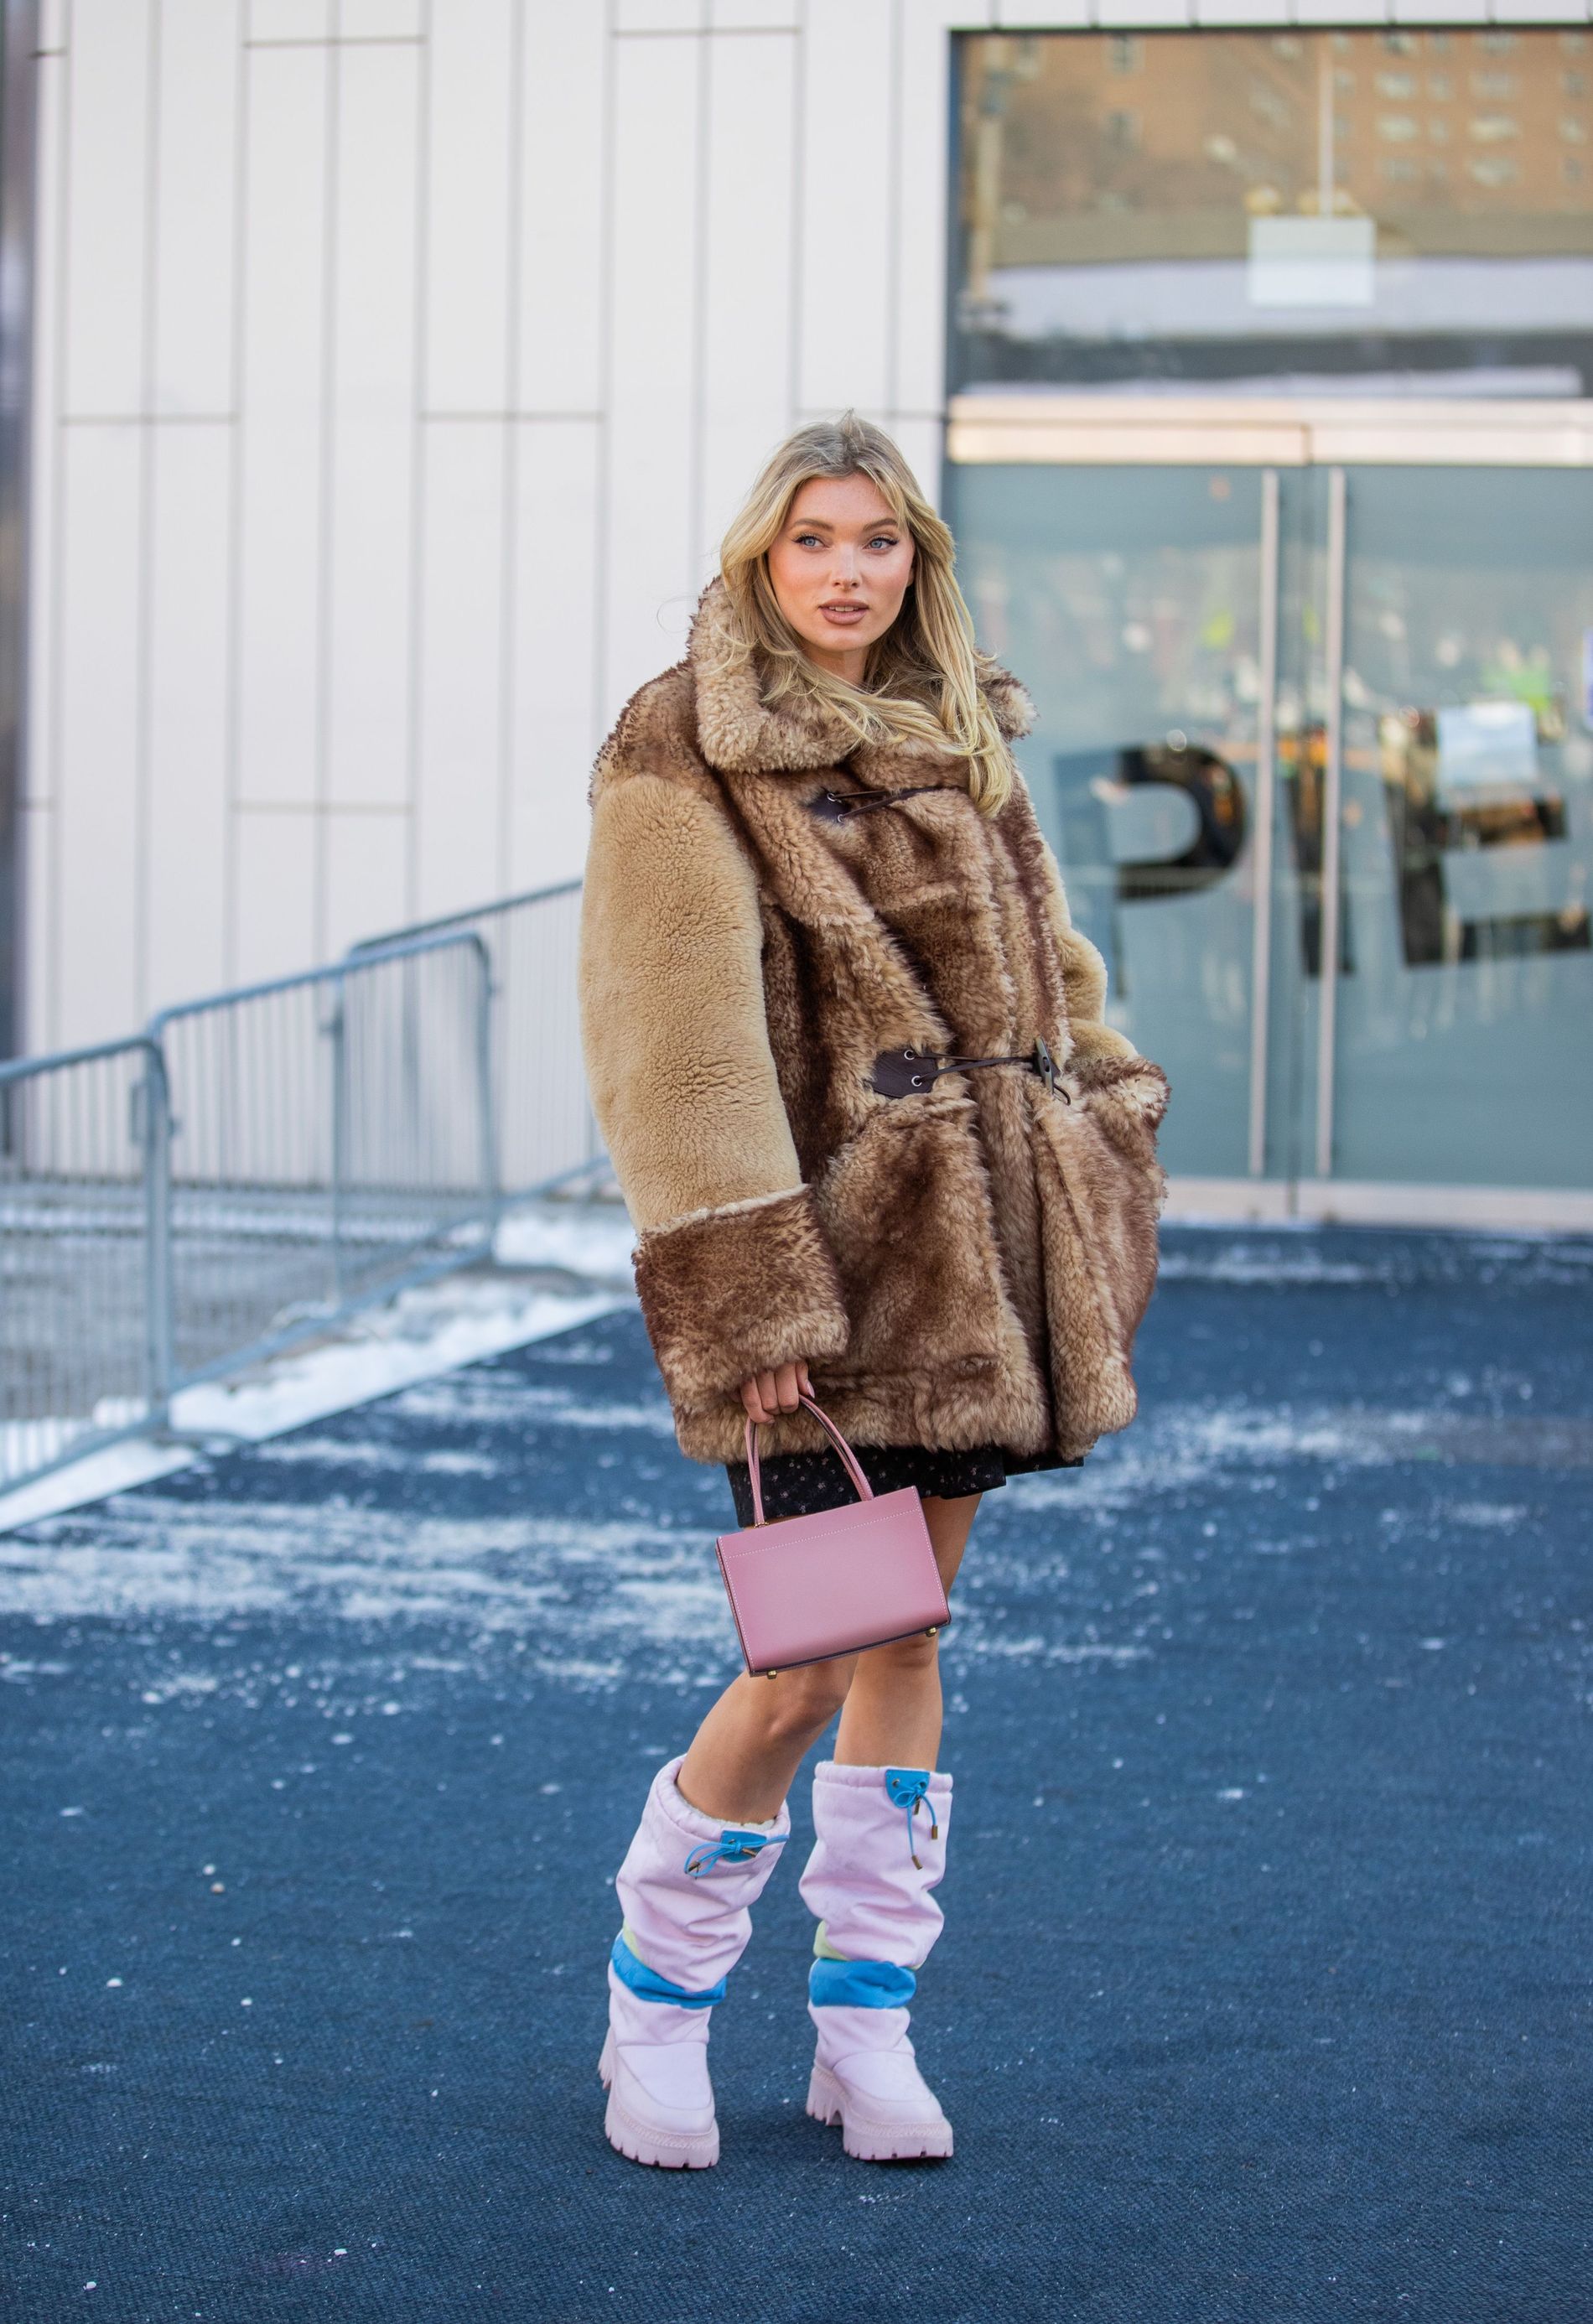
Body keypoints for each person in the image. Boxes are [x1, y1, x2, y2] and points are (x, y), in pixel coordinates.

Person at [578, 412, 1167, 2171]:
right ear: (766, 554)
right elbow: (666, 1041)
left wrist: (1106, 1116)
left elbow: (1049, 963)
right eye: (816, 539)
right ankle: (656, 2021)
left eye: (880, 540)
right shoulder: (683, 743)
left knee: (908, 1639)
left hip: (978, 1273)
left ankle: (865, 2026)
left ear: (917, 558)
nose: (849, 571)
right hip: (821, 1291)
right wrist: (749, 1292)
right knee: (796, 1669)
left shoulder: (956, 726)